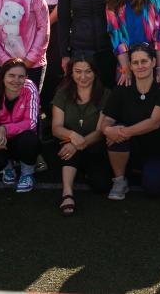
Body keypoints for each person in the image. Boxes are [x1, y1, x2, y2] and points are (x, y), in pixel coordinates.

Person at [102, 43, 160, 199]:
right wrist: (108, 130)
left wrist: (122, 132)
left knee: (154, 188)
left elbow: (155, 122)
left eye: (144, 61)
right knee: (114, 131)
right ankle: (120, 180)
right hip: (130, 147)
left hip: (157, 149)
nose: (140, 66)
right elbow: (106, 120)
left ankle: (144, 171)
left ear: (153, 62)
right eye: (135, 62)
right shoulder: (122, 87)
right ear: (130, 66)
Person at [53, 57, 111, 214]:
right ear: (71, 73)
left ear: (95, 73)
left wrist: (77, 143)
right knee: (68, 150)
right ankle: (67, 194)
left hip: (94, 145)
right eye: (78, 72)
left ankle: (84, 170)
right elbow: (56, 128)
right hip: (67, 142)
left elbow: (100, 132)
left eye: (88, 71)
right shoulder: (63, 93)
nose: (83, 77)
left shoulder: (105, 94)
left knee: (101, 185)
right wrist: (72, 136)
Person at [0, 59, 40, 192]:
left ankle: (27, 173)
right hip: (4, 141)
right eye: (11, 76)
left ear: (26, 77)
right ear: (3, 77)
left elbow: (31, 122)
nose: (16, 80)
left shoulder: (30, 88)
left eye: (21, 76)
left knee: (29, 139)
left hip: (22, 139)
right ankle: (8, 166)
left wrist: (5, 128)